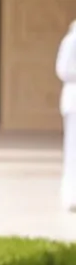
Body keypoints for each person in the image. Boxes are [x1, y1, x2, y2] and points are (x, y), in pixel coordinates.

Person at [56, 20, 76, 210]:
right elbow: (63, 70)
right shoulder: (71, 40)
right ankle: (71, 195)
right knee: (73, 151)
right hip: (74, 101)